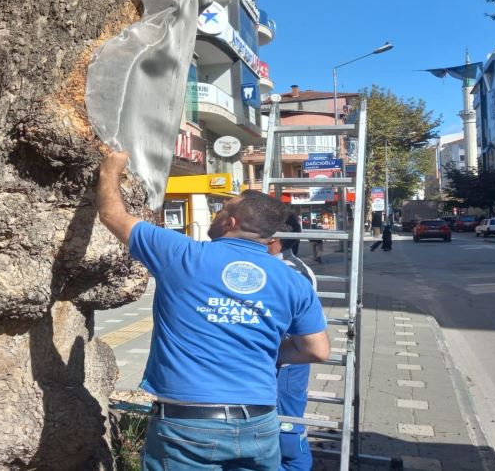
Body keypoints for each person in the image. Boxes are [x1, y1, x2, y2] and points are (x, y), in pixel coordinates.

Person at [96, 152, 330, 471]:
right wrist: (264, 351)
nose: (217, 214)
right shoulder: (293, 281)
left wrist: (112, 167)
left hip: (186, 426)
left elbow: (112, 214)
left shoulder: (180, 253)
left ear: (229, 222)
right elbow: (317, 350)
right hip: (259, 424)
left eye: (222, 209)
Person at [267, 216, 322, 471]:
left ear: (274, 239)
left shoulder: (291, 271)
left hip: (287, 362)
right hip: (277, 359)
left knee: (287, 432)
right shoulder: (276, 265)